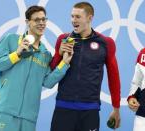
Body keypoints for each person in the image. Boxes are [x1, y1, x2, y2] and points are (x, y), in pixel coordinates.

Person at [0, 5, 73, 131]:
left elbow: (48, 82)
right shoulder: (11, 40)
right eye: (37, 20)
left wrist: (64, 63)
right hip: (6, 111)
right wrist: (17, 54)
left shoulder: (45, 54)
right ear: (28, 22)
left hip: (29, 116)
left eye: (44, 20)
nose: (41, 23)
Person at [50, 2, 121, 131]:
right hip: (63, 107)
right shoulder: (63, 39)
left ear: (90, 18)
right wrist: (58, 54)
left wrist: (116, 107)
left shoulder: (106, 43)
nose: (73, 20)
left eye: (78, 17)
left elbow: (113, 77)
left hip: (90, 110)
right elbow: (51, 72)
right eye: (72, 16)